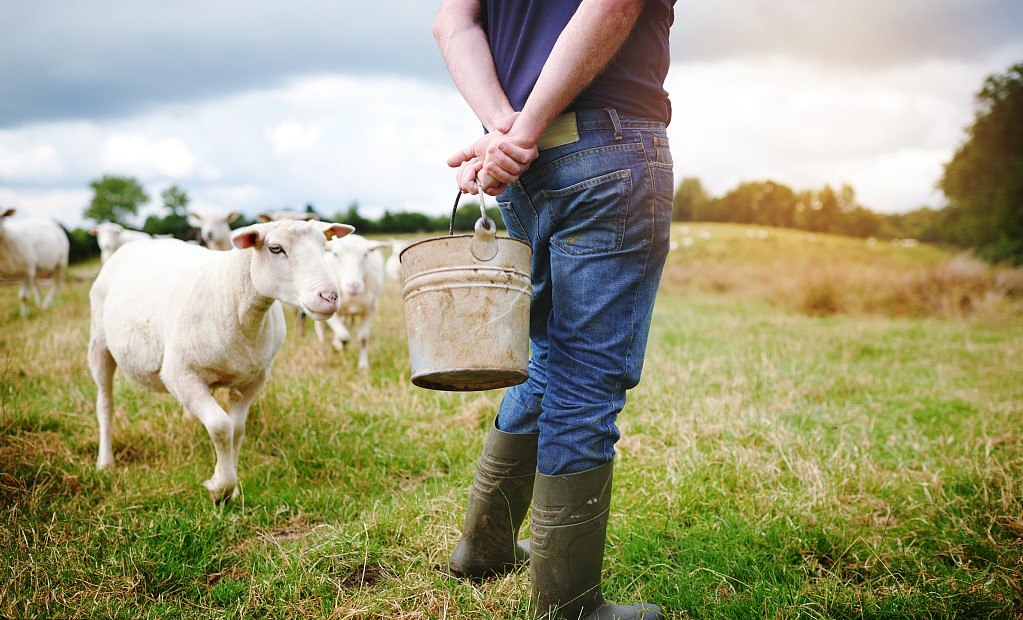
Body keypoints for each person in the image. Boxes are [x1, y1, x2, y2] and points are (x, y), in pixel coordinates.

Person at [433, 1, 675, 618]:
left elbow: (453, 21)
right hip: (605, 146)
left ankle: (483, 548)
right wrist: (524, 130)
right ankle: (570, 606)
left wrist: (503, 129)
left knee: (547, 360)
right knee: (585, 376)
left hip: (528, 166)